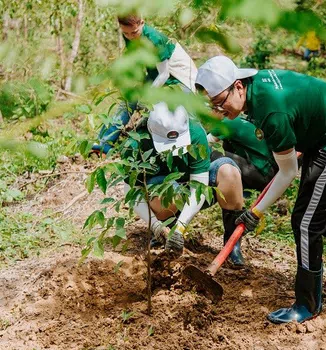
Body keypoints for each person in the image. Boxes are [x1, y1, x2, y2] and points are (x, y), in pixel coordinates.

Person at [195, 56, 326, 324]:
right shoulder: (254, 90)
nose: (219, 111)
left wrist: (256, 212)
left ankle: (307, 304)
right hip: (320, 138)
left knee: (306, 222)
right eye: (212, 105)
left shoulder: (271, 113)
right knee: (315, 209)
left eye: (220, 102)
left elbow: (287, 172)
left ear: (238, 86)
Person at [123, 102, 246, 266]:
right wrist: (156, 226)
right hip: (163, 191)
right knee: (166, 193)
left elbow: (199, 187)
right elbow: (132, 194)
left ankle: (232, 245)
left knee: (229, 173)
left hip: (193, 187)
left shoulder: (195, 133)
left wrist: (181, 228)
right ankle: (164, 232)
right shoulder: (135, 143)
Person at [92, 14, 198, 155]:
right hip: (156, 75)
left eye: (134, 32)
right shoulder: (129, 35)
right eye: (126, 33)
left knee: (180, 115)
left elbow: (164, 74)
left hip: (179, 79)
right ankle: (104, 143)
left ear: (142, 22)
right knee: (129, 99)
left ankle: (195, 144)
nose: (131, 36)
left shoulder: (154, 39)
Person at [207, 116, 277, 191]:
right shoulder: (238, 120)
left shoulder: (228, 122)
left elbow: (202, 144)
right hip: (270, 174)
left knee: (214, 155)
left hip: (263, 175)